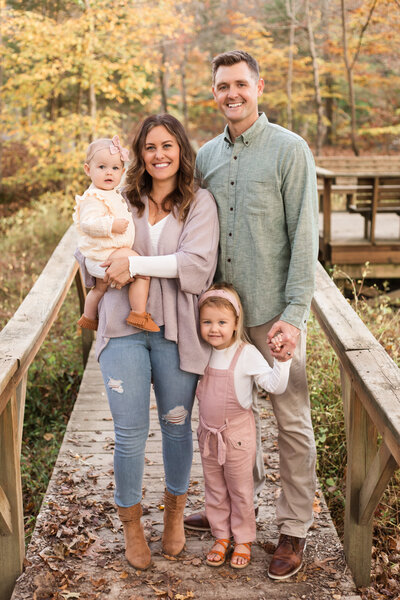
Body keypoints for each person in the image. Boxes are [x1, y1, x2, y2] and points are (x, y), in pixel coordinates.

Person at [184, 50, 319, 580]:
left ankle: (292, 529)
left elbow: (305, 238)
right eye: (222, 86)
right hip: (223, 320)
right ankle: (241, 514)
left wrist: (295, 314)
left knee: (290, 422)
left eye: (241, 83)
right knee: (230, 416)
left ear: (259, 86)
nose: (232, 93)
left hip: (273, 315)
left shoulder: (290, 150)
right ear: (214, 93)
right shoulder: (206, 157)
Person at [75, 114, 219, 570]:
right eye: (150, 147)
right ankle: (132, 526)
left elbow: (196, 266)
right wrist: (103, 264)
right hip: (121, 327)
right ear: (140, 153)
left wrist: (134, 264)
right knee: (129, 433)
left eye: (167, 146)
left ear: (181, 150)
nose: (159, 155)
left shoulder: (200, 204)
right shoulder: (122, 198)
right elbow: (85, 246)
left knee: (177, 424)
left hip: (176, 331)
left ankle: (175, 514)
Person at [197, 283, 291, 570]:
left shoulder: (246, 353)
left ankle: (243, 539)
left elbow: (274, 385)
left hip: (237, 436)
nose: (214, 329)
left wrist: (282, 362)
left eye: (222, 322)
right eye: (207, 322)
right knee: (214, 488)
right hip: (208, 435)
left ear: (236, 322)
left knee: (240, 489)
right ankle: (221, 535)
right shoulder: (201, 351)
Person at [73, 135, 159, 332]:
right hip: (106, 252)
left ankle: (88, 318)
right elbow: (87, 223)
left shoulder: (112, 192)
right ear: (88, 170)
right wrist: (110, 225)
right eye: (101, 167)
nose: (108, 173)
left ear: (122, 171)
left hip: (107, 251)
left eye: (115, 168)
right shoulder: (93, 197)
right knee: (140, 268)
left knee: (100, 288)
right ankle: (138, 314)